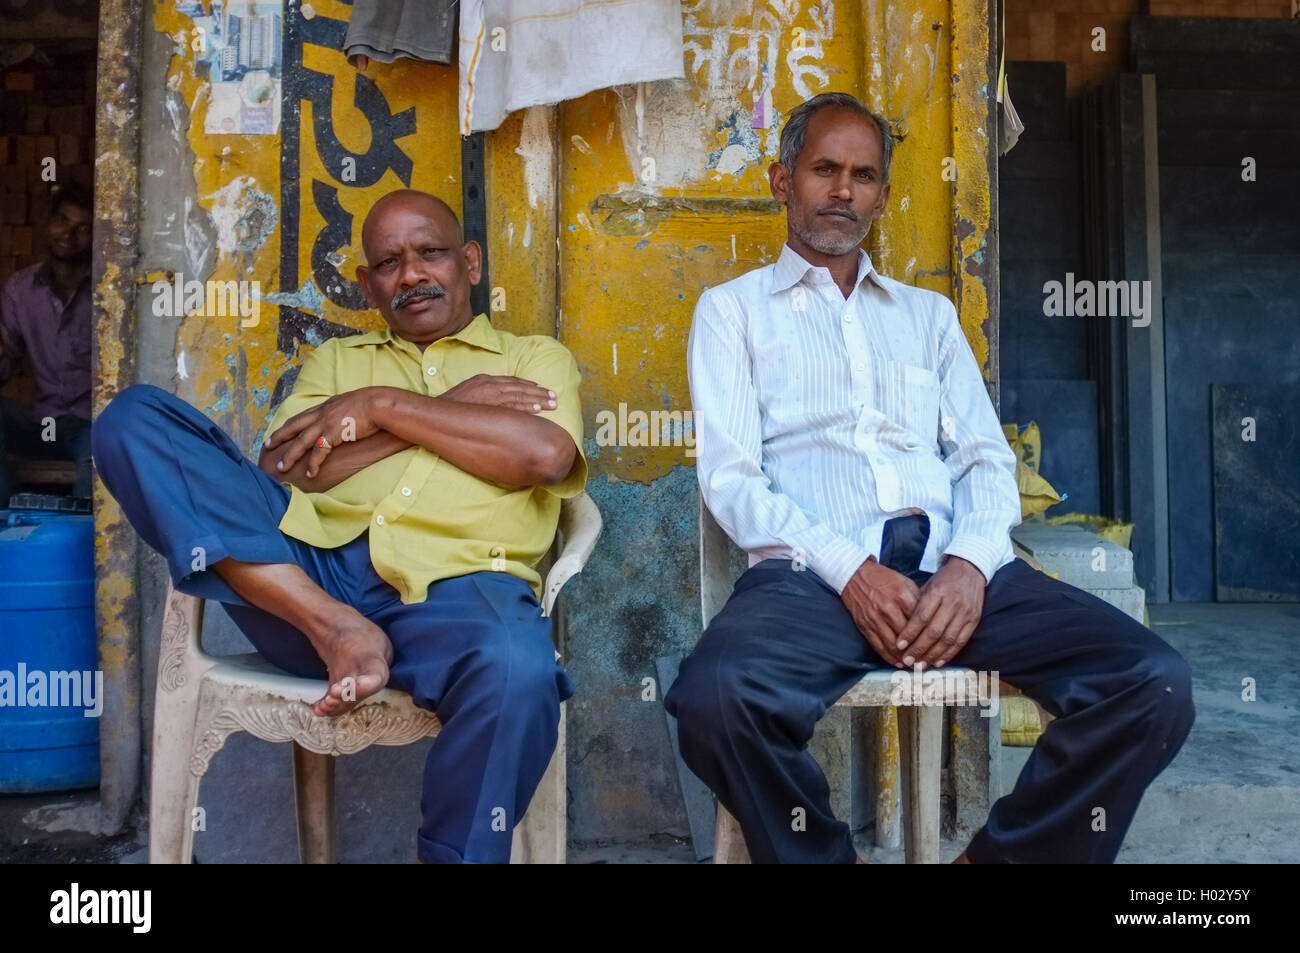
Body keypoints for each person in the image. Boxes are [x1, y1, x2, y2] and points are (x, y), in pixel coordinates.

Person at [664, 92, 1195, 864]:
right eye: (824, 169)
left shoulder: (929, 317)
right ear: (783, 182)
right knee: (714, 700)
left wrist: (971, 566)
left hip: (954, 576)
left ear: (881, 194)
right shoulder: (732, 313)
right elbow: (735, 481)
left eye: (864, 175)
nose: (843, 190)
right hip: (814, 578)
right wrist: (852, 574)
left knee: (1152, 681)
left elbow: (984, 458)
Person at [92, 189, 588, 864]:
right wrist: (445, 411)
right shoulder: (337, 364)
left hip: (460, 593)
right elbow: (290, 467)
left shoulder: (533, 359)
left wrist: (381, 408)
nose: (411, 274)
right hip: (308, 577)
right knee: (134, 421)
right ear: (367, 284)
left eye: (430, 253)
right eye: (388, 263)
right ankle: (338, 628)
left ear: (470, 263)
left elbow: (541, 454)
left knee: (518, 671)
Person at [0, 182, 95, 502]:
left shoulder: (109, 290)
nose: (69, 235)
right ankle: (7, 524)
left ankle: (81, 540)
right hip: (41, 423)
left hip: (90, 426)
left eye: (83, 227)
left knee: (101, 447)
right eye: (62, 221)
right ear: (48, 225)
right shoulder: (20, 289)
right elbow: (7, 357)